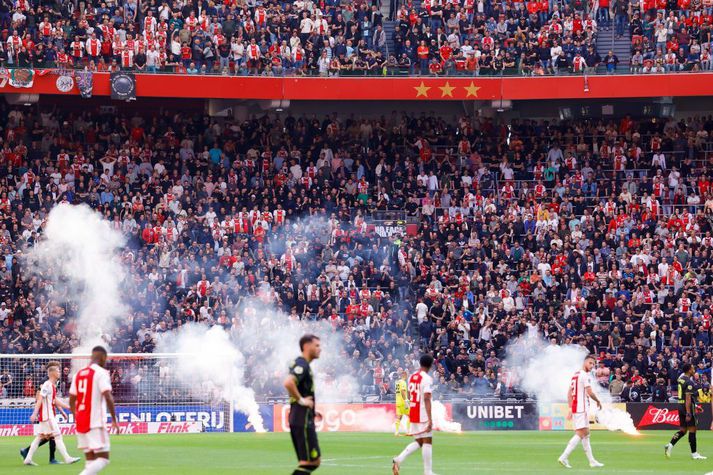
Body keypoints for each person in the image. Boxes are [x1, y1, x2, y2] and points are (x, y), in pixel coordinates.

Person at [69, 346, 120, 475]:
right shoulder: (101, 373)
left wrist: (76, 416)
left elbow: (71, 399)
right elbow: (108, 396)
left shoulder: (79, 373)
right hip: (95, 421)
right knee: (103, 458)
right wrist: (114, 419)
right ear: (103, 357)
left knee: (90, 461)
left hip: (81, 421)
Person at [21, 361, 80, 466]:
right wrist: (34, 413)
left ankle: (28, 459)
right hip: (47, 416)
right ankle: (67, 458)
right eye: (57, 371)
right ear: (52, 373)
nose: (59, 372)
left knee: (39, 437)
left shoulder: (51, 385)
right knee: (57, 436)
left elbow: (54, 399)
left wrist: (67, 407)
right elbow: (39, 399)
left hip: (47, 416)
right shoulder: (47, 385)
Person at [283, 334, 322, 475]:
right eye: (316, 345)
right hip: (301, 418)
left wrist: (312, 410)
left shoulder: (302, 364)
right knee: (309, 462)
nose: (320, 349)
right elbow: (288, 382)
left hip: (302, 416)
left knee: (313, 461)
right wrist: (302, 401)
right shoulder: (302, 364)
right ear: (306, 346)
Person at [558, 354, 604, 469]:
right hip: (581, 408)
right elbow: (589, 392)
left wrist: (570, 408)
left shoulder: (575, 375)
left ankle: (592, 461)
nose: (592, 366)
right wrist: (598, 400)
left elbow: (569, 393)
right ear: (585, 362)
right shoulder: (584, 376)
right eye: (590, 363)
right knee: (581, 433)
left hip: (576, 407)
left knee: (586, 434)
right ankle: (564, 457)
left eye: (593, 364)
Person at [392, 354, 435, 475]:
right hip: (423, 413)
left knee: (420, 441)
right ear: (430, 365)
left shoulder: (412, 377)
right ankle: (428, 472)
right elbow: (426, 398)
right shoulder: (426, 378)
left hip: (414, 411)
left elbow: (410, 395)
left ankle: (399, 459)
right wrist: (430, 419)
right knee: (427, 441)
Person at [665, 363, 707, 460]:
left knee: (683, 431)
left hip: (680, 405)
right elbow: (688, 397)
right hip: (686, 408)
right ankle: (694, 454)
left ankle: (670, 445)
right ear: (689, 370)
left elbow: (685, 396)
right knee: (692, 430)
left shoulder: (681, 379)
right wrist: (689, 412)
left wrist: (695, 405)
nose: (694, 370)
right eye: (692, 368)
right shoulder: (689, 382)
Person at [394, 369, 410, 436]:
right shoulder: (403, 382)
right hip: (403, 402)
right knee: (410, 416)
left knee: (399, 417)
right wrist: (406, 400)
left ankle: (396, 432)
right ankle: (408, 432)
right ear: (404, 375)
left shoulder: (397, 382)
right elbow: (403, 391)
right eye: (407, 375)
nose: (407, 376)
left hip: (397, 402)